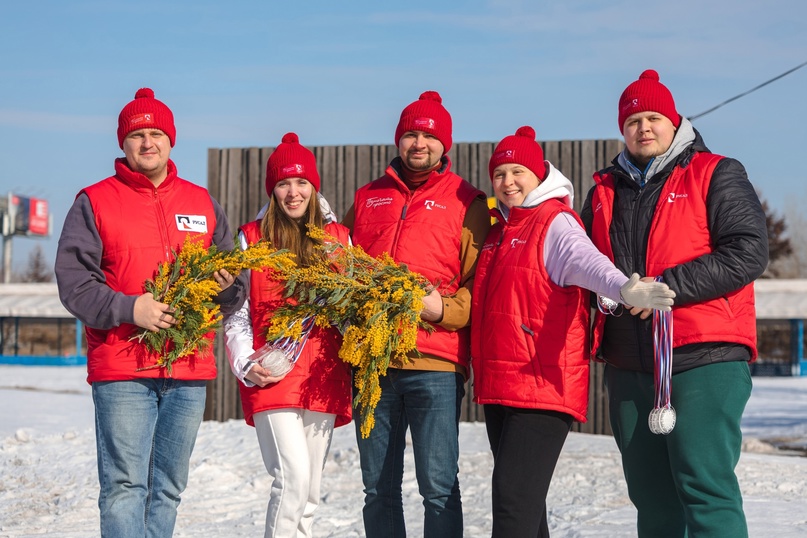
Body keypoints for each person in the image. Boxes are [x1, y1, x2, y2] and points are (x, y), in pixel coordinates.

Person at [581, 70, 769, 538]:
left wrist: (666, 286)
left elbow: (748, 249)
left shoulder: (716, 172)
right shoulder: (603, 191)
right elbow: (584, 266)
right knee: (651, 499)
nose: (643, 128)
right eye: (633, 120)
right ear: (622, 129)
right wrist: (614, 294)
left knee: (705, 488)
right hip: (629, 363)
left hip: (703, 355)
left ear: (674, 120)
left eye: (653, 117)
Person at [55, 87, 247, 537]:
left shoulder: (202, 203)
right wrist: (129, 307)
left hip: (187, 369)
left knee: (168, 489)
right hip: (123, 368)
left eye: (156, 133)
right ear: (123, 143)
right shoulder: (95, 201)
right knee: (124, 487)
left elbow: (235, 284)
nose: (147, 143)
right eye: (137, 134)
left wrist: (226, 288)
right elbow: (74, 283)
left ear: (171, 140)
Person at [471, 126, 675, 538]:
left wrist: (622, 286)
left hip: (541, 384)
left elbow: (587, 262)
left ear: (538, 174)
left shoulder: (555, 223)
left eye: (517, 172)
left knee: (512, 505)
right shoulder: (500, 230)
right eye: (499, 175)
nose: (508, 182)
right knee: (526, 508)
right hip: (500, 384)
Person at [341, 90, 491, 537]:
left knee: (439, 486)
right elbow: (343, 268)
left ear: (445, 144)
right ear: (398, 140)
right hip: (373, 361)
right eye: (410, 134)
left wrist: (439, 308)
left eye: (428, 135)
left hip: (435, 364)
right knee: (377, 488)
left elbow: (476, 285)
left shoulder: (469, 200)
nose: (418, 143)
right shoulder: (368, 197)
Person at [223, 132, 352, 537]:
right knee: (292, 479)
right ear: (272, 189)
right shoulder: (252, 238)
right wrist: (245, 362)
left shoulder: (339, 240)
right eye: (283, 183)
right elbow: (236, 312)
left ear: (314, 188)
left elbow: (352, 311)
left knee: (311, 491)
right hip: (273, 374)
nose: (293, 192)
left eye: (301, 183)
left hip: (323, 376)